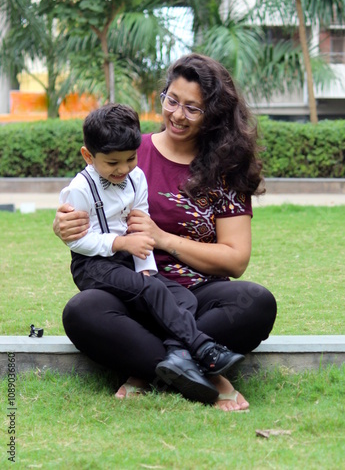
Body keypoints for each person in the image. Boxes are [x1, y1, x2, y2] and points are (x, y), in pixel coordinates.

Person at [53, 53, 277, 412]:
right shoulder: (127, 152)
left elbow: (235, 260)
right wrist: (62, 224)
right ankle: (198, 367)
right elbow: (83, 203)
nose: (177, 114)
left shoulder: (227, 169)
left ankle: (147, 368)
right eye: (172, 101)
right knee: (83, 310)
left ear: (214, 112)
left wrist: (163, 238)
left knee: (256, 303)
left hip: (197, 295)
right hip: (133, 292)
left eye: (193, 108)